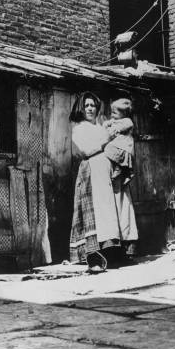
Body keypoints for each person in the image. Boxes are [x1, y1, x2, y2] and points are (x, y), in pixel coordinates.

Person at [69, 92, 138, 272]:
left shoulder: (101, 125)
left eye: (93, 105)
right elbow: (87, 149)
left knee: (113, 212)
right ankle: (94, 258)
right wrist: (107, 138)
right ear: (81, 109)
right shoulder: (79, 129)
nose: (90, 109)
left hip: (108, 173)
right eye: (87, 106)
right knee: (96, 214)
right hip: (92, 172)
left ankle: (116, 254)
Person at [102, 98, 135, 184]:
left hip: (123, 146)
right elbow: (108, 123)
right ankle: (120, 170)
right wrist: (106, 124)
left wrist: (118, 129)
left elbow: (128, 125)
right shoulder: (115, 120)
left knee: (110, 149)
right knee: (109, 151)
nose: (112, 115)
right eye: (111, 112)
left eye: (114, 113)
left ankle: (121, 171)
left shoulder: (127, 121)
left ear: (123, 113)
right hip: (118, 145)